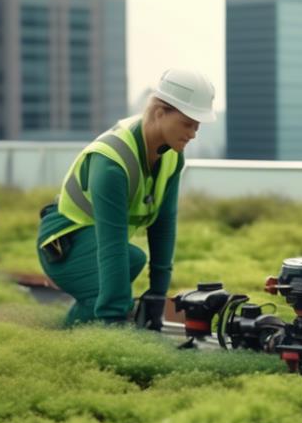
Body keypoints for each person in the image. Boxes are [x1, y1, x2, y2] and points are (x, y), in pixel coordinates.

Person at [37, 69, 216, 327]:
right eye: (188, 124)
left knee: (133, 259)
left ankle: (75, 328)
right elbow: (112, 245)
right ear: (160, 113)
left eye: (197, 126)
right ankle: (75, 337)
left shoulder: (172, 157)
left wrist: (158, 293)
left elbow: (163, 225)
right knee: (106, 294)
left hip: (98, 241)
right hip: (63, 244)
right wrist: (115, 317)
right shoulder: (112, 163)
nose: (193, 134)